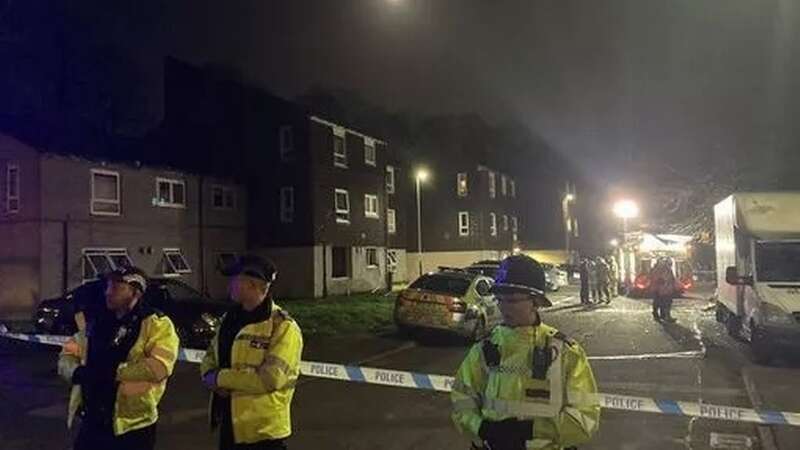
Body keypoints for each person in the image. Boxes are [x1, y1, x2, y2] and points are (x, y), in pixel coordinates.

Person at [451, 255, 600, 450]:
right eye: (500, 299)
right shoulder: (483, 350)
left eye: (512, 300)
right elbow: (462, 400)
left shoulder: (566, 353)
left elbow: (586, 417)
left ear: (536, 301)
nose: (503, 307)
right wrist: (482, 428)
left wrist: (530, 430)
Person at [59, 267, 179, 450]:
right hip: (93, 421)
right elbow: (69, 350)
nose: (108, 292)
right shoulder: (98, 321)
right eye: (108, 286)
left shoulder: (156, 324)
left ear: (135, 292)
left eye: (116, 287)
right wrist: (75, 372)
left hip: (132, 426)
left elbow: (159, 366)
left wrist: (113, 372)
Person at [201, 255, 303, 450]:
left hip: (263, 433)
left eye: (234, 280)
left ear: (252, 285)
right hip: (229, 426)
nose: (229, 285)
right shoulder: (229, 319)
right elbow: (210, 357)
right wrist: (208, 375)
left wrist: (219, 378)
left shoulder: (282, 327)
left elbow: (270, 379)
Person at [649, 258, 678, 323]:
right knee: (661, 303)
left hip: (665, 290)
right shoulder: (660, 270)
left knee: (663, 303)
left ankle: (663, 316)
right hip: (660, 290)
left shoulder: (667, 270)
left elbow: (671, 279)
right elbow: (658, 279)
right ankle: (661, 315)